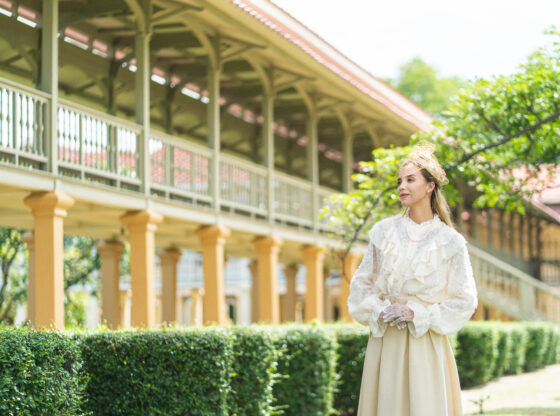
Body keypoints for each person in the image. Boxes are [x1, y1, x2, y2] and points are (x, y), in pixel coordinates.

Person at [347, 144, 478, 416]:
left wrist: (418, 313)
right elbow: (360, 286)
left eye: (410, 180)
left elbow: (465, 299)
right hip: (386, 343)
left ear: (430, 186)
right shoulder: (383, 232)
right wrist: (379, 309)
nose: (401, 187)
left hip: (425, 344)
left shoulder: (451, 241)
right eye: (399, 181)